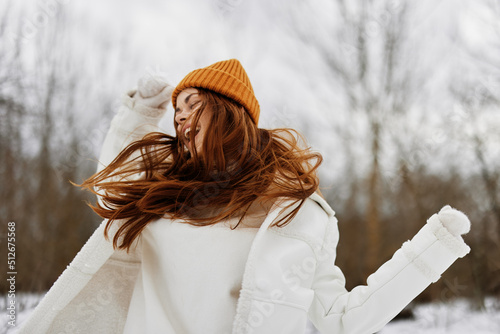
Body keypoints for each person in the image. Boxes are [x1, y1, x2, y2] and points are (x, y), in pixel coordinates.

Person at [17, 59, 471, 334]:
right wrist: (139, 113)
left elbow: (343, 320)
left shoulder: (298, 217)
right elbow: (115, 190)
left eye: (193, 104)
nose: (180, 118)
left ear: (231, 113)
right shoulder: (161, 198)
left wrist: (430, 251)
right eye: (176, 112)